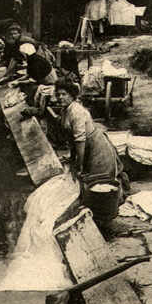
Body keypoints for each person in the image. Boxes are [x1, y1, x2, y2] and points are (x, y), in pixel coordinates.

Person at [55, 80, 127, 210]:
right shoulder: (65, 110)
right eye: (58, 94)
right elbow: (71, 138)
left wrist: (79, 164)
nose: (60, 97)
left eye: (64, 94)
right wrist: (72, 158)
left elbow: (80, 141)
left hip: (96, 148)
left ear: (72, 95)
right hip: (85, 147)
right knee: (84, 177)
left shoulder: (76, 112)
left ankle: (108, 204)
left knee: (97, 178)